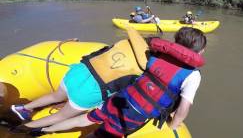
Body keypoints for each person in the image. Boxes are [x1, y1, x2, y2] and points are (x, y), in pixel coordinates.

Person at [22, 27, 207, 137]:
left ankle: (42, 130)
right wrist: (174, 126)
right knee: (102, 134)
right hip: (134, 115)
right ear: (198, 52)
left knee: (84, 119)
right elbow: (184, 108)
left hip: (119, 99)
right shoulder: (192, 74)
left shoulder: (157, 55)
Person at [10, 28, 149, 135]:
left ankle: (23, 108)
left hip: (78, 72)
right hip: (90, 91)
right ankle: (24, 128)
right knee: (61, 116)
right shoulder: (143, 70)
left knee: (55, 96)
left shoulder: (124, 44)